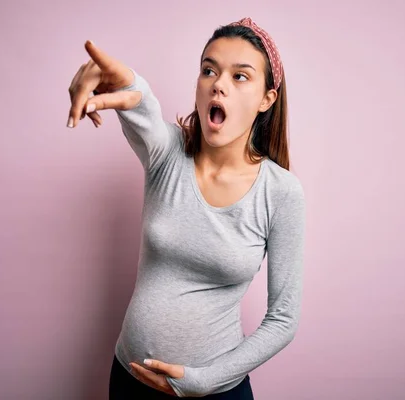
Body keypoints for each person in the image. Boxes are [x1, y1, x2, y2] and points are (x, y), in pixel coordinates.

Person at [66, 17, 306, 399]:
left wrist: (203, 381)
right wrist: (123, 81)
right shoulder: (169, 153)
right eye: (209, 70)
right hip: (130, 381)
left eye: (240, 76)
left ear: (267, 99)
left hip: (215, 393)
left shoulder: (281, 193)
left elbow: (283, 320)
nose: (219, 84)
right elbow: (141, 106)